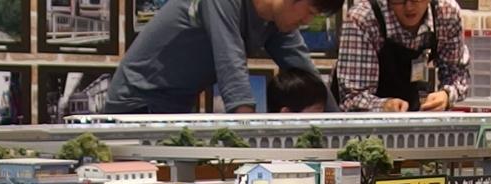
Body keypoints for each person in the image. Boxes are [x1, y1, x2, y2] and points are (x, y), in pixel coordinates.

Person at [104, 0, 339, 114]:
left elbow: (305, 69)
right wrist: (251, 141)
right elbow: (231, 66)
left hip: (176, 108)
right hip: (137, 103)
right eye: (310, 12)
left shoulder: (275, 22)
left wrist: (342, 131)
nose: (307, 21)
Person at [333, 0, 470, 112]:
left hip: (411, 116)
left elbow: (457, 74)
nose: (409, 7)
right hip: (362, 125)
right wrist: (384, 106)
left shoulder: (446, 14)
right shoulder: (363, 19)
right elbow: (352, 98)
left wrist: (446, 95)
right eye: (399, 0)